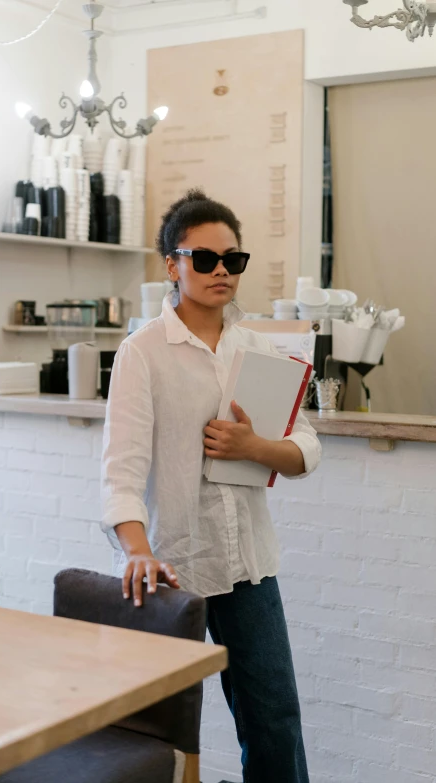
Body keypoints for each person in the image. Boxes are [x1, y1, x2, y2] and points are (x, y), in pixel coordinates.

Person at [101, 189, 322, 783]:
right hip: (169, 565)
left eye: (234, 259)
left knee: (274, 718)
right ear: (172, 265)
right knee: (155, 726)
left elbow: (305, 449)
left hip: (247, 561)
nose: (222, 270)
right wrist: (138, 551)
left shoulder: (261, 349)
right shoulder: (142, 354)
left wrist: (256, 448)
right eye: (204, 258)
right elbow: (120, 472)